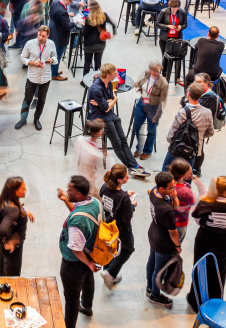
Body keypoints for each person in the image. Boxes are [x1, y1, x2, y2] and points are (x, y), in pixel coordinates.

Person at [188, 176, 226, 311]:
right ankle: (215, 301)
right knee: (219, 270)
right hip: (224, 241)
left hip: (204, 239)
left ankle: (196, 300)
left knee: (200, 268)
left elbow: (197, 219)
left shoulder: (204, 204)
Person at [57, 175, 101, 328]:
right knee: (88, 278)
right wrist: (89, 262)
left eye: (70, 190)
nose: (67, 191)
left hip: (73, 263)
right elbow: (79, 212)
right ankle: (87, 307)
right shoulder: (94, 202)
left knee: (72, 298)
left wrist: (88, 262)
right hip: (89, 252)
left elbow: (76, 249)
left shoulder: (77, 222)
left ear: (78, 194)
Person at [97, 164, 136, 289]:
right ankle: (110, 273)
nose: (128, 177)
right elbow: (126, 218)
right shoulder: (123, 198)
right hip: (121, 228)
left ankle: (106, 270)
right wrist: (132, 205)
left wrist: (125, 194)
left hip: (108, 224)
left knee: (110, 247)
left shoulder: (104, 187)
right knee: (127, 249)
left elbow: (108, 200)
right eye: (126, 176)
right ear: (119, 180)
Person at [146, 171, 180, 308]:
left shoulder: (153, 191)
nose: (173, 189)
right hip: (163, 242)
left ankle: (150, 287)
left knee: (152, 262)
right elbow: (173, 233)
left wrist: (174, 196)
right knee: (159, 270)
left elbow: (175, 206)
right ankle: (155, 295)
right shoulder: (165, 210)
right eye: (171, 188)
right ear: (162, 188)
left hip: (153, 234)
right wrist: (177, 246)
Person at [163, 83, 214, 173]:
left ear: (188, 94)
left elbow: (172, 133)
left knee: (166, 172)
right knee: (186, 176)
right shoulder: (207, 112)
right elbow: (210, 132)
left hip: (177, 148)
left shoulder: (182, 112)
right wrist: (199, 136)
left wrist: (171, 141)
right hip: (193, 150)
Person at [0, 176, 33, 277]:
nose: (26, 190)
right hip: (11, 250)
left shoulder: (5, 199)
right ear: (15, 191)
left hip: (2, 246)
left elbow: (9, 214)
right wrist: (12, 241)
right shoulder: (13, 210)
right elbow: (2, 230)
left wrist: (24, 212)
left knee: (0, 269)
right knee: (12, 277)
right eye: (23, 188)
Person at [80, 0, 114, 75]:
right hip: (100, 43)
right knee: (98, 62)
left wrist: (83, 26)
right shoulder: (104, 15)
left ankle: (84, 82)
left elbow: (85, 33)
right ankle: (97, 80)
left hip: (89, 44)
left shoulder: (89, 19)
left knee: (87, 63)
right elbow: (113, 24)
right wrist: (113, 34)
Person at [47, 0, 74, 81]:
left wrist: (67, 15)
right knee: (57, 56)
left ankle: (53, 71)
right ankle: (54, 74)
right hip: (60, 38)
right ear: (68, 0)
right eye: (71, 1)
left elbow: (57, 15)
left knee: (54, 55)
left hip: (53, 33)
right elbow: (67, 26)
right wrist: (75, 22)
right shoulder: (62, 11)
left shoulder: (55, 3)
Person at [75, 119, 105, 195]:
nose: (103, 131)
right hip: (89, 184)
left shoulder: (80, 139)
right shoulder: (95, 154)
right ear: (98, 132)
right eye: (102, 130)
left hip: (79, 177)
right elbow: (100, 170)